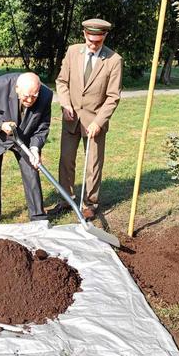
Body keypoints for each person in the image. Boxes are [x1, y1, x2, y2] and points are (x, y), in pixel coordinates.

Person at [50, 18, 123, 220]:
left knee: (93, 164)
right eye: (90, 40)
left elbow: (113, 96)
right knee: (66, 159)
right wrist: (65, 104)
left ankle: (90, 203)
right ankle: (66, 198)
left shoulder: (114, 60)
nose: (93, 45)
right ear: (84, 35)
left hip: (94, 122)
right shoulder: (73, 52)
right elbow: (62, 81)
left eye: (98, 42)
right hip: (70, 117)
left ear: (105, 37)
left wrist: (98, 122)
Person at [0, 72, 52, 224]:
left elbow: (42, 126)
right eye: (26, 96)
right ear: (17, 89)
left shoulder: (46, 95)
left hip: (24, 136)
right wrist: (0, 125)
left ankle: (37, 216)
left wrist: (35, 148)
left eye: (34, 96)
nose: (30, 100)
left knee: (31, 169)